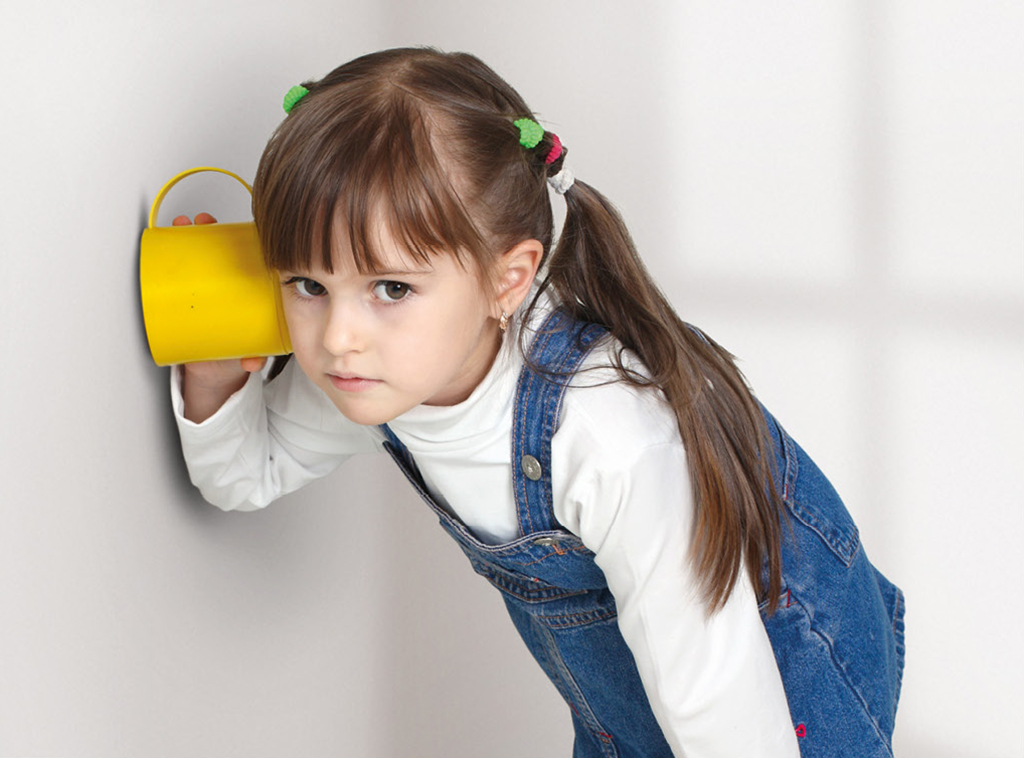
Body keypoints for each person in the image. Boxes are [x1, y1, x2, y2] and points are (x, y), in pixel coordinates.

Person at [170, 47, 905, 758]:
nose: (337, 338)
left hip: (774, 682)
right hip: (631, 709)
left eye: (391, 288)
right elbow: (242, 474)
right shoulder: (381, 369)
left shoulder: (607, 433)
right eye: (307, 284)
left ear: (507, 279)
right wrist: (212, 372)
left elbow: (713, 693)